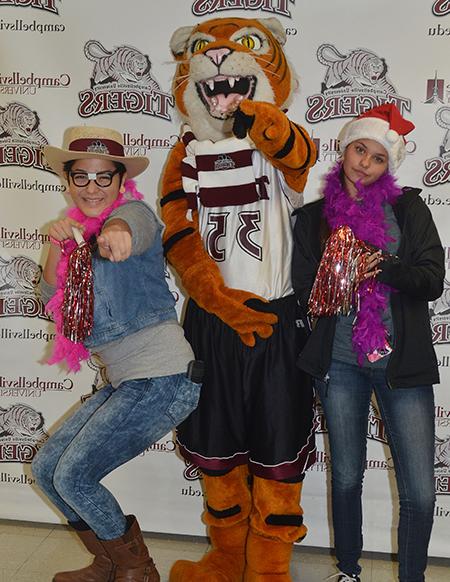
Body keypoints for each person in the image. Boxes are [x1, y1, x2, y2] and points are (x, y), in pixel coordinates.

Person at [161, 17, 317, 582]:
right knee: (216, 444)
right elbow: (177, 235)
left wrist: (262, 120)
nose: (222, 60)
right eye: (206, 52)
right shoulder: (185, 152)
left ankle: (269, 568)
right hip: (212, 320)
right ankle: (227, 559)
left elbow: (300, 158)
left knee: (277, 446)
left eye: (242, 51)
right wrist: (216, 298)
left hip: (275, 322)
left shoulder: (279, 140)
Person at [32, 126, 202, 582]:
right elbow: (51, 292)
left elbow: (138, 230)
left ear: (119, 180)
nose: (92, 187)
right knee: (48, 469)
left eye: (103, 177)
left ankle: (137, 571)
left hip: (163, 377)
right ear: (67, 180)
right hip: (126, 379)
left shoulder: (131, 213)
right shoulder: (72, 236)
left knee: (74, 477)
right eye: (81, 177)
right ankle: (108, 562)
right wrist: (56, 243)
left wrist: (118, 232)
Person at [292, 104, 445, 582]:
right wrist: (334, 277)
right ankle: (350, 571)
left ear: (388, 167)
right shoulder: (313, 218)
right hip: (340, 365)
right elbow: (302, 291)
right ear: (345, 149)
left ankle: (413, 578)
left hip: (403, 366)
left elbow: (432, 279)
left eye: (378, 158)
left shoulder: (409, 209)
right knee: (348, 476)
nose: (365, 163)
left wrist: (383, 264)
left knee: (420, 491)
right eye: (360, 150)